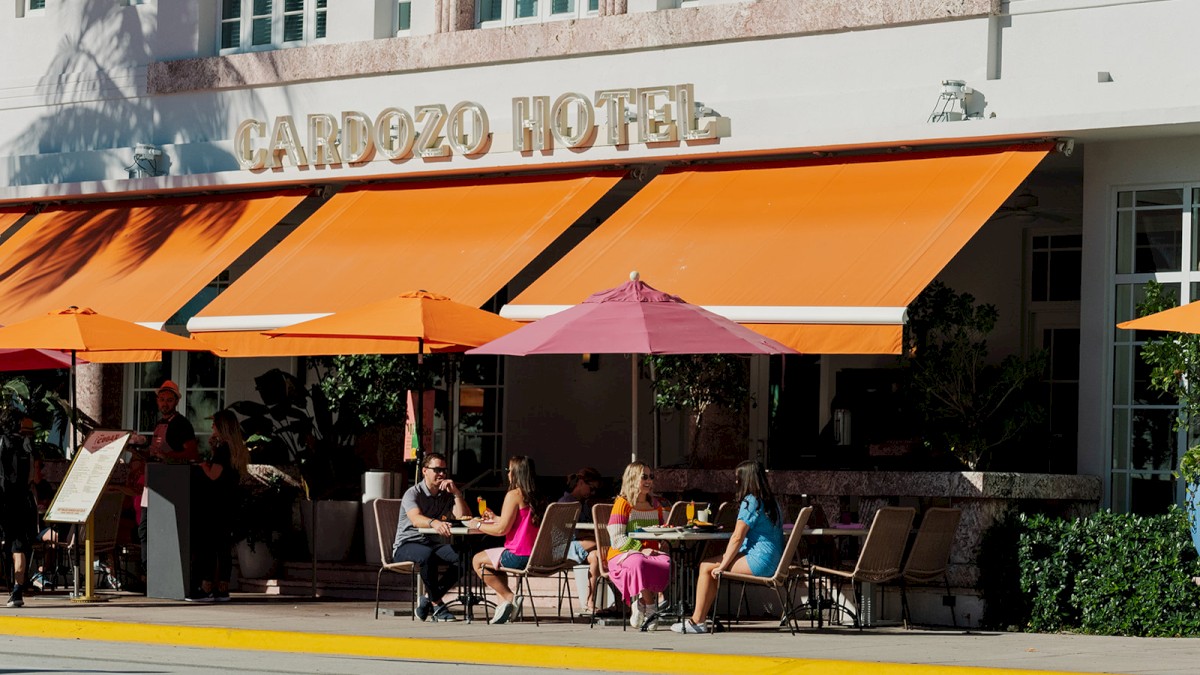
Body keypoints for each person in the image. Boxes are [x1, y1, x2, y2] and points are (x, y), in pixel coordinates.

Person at [671, 460, 784, 634]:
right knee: (710, 565)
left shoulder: (751, 501)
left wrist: (723, 566)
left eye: (738, 478)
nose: (736, 482)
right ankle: (700, 618)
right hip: (774, 559)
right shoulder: (771, 502)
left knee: (706, 566)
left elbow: (737, 536)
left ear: (746, 479)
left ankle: (697, 621)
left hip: (758, 560)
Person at [133, 380, 200, 582]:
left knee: (161, 531)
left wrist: (170, 458)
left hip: (169, 484)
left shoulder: (181, 424)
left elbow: (192, 451)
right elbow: (155, 454)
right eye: (162, 400)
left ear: (176, 402)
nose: (165, 404)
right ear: (157, 401)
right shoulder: (159, 424)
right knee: (145, 529)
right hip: (152, 481)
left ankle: (160, 576)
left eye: (169, 400)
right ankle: (147, 574)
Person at [392, 452, 468, 622]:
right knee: (427, 555)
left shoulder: (446, 493)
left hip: (431, 544)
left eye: (444, 470)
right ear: (425, 471)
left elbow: (463, 517)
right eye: (437, 470)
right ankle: (437, 604)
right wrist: (434, 523)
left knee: (464, 557)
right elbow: (416, 519)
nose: (442, 474)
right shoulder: (413, 493)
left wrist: (456, 494)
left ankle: (428, 598)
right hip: (406, 545)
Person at [469, 455, 543, 625]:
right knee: (494, 561)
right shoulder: (537, 495)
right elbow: (518, 523)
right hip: (538, 555)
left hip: (519, 556)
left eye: (509, 470)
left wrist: (478, 525)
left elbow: (502, 530)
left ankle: (509, 598)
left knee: (478, 560)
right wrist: (496, 517)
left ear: (516, 473)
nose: (507, 474)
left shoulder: (514, 494)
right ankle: (502, 605)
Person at [187, 410, 247, 602]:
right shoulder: (237, 449)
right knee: (223, 547)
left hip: (215, 504)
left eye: (214, 425)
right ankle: (222, 587)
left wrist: (202, 465)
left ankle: (206, 587)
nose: (212, 428)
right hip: (230, 503)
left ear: (222, 427)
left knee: (209, 545)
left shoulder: (224, 450)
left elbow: (214, 475)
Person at [606, 461, 670, 628]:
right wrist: (641, 549)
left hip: (651, 554)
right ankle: (650, 608)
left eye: (651, 477)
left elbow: (662, 531)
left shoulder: (655, 504)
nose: (649, 480)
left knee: (667, 561)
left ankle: (640, 603)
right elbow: (617, 539)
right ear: (633, 479)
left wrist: (663, 542)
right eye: (644, 477)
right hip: (623, 554)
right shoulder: (623, 503)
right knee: (638, 562)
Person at [0, 407, 36, 608]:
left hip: (4, 500)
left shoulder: (1, 442)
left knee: (7, 544)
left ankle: (9, 586)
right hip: (23, 501)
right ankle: (17, 591)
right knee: (19, 546)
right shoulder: (27, 445)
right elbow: (33, 477)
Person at [557, 467, 604, 613]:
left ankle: (590, 600)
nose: (592, 492)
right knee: (603, 543)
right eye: (592, 488)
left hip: (578, 544)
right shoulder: (567, 502)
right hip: (563, 546)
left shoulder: (583, 503)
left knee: (596, 556)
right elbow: (574, 532)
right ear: (581, 483)